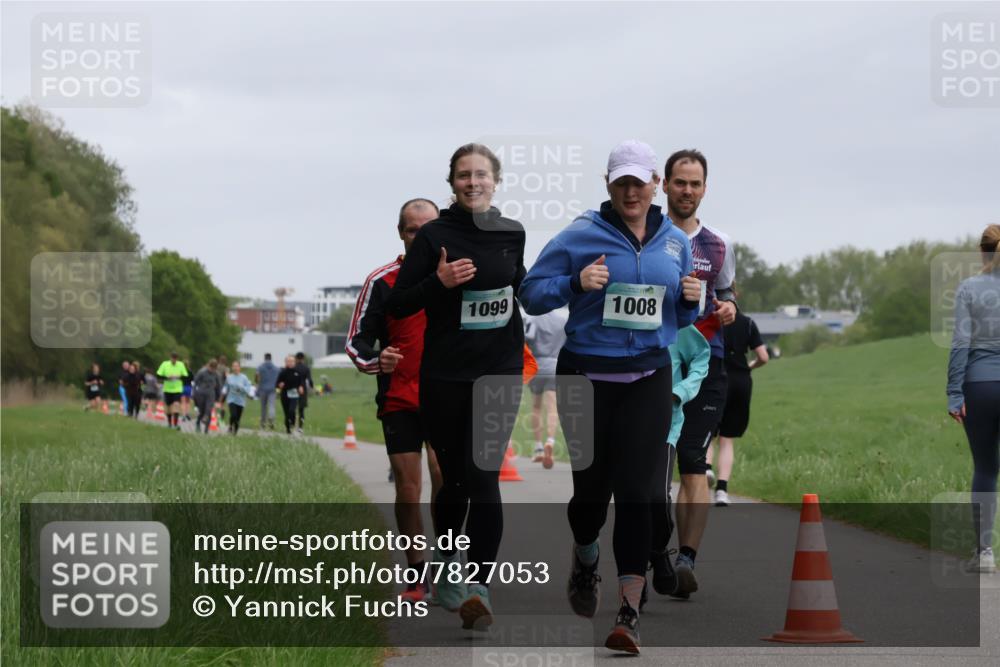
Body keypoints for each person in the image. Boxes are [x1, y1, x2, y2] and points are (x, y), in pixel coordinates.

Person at [520, 139, 700, 654]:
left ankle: (627, 611)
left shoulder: (674, 243)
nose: (630, 191)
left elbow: (678, 318)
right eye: (621, 182)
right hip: (587, 376)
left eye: (639, 182)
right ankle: (585, 553)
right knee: (591, 497)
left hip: (648, 377)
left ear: (655, 186)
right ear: (608, 184)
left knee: (640, 494)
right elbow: (531, 292)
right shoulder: (581, 234)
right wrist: (576, 282)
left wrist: (692, 302)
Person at [386, 143, 526, 630]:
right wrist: (438, 282)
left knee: (484, 475)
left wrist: (569, 284)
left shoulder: (512, 232)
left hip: (500, 370)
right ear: (452, 183)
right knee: (455, 480)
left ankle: (480, 587)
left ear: (495, 180)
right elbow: (399, 303)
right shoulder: (434, 236)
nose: (473, 182)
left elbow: (521, 285)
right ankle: (447, 565)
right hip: (445, 374)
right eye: (464, 175)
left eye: (481, 174)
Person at [347, 197, 445, 605]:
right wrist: (376, 360)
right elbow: (356, 342)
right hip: (400, 398)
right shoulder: (382, 281)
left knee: (446, 481)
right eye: (411, 230)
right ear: (401, 234)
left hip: (446, 396)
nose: (420, 237)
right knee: (409, 489)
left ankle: (450, 561)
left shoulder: (457, 276)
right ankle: (417, 572)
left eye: (428, 230)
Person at [659, 148, 737, 600]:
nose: (687, 190)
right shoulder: (649, 236)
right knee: (654, 465)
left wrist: (728, 307)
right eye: (680, 182)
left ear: (705, 189)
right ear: (665, 185)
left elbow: (727, 294)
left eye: (695, 183)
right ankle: (654, 551)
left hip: (708, 363)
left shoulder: (719, 243)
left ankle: (686, 559)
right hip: (655, 362)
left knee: (693, 461)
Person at [644, 324, 710, 609]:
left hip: (664, 426)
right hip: (622, 425)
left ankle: (658, 552)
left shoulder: (675, 322)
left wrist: (681, 391)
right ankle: (634, 579)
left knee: (657, 500)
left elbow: (701, 356)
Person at [947, 224, 1000, 574]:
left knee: (985, 468)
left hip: (980, 387)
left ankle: (983, 553)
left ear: (982, 252)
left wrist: (954, 392)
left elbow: (961, 343)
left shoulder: (969, 288)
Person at [707, 301, 768, 506]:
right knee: (727, 439)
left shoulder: (712, 317)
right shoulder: (748, 323)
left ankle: (706, 469)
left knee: (709, 433)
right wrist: (749, 366)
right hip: (741, 381)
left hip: (716, 376)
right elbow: (763, 357)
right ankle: (722, 491)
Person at [524, 310, 567, 469]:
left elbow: (527, 340)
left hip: (536, 365)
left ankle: (538, 447)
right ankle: (550, 440)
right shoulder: (564, 316)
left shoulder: (533, 317)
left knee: (536, 407)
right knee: (552, 408)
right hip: (555, 364)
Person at [156, 352, 189, 430]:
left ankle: (175, 424)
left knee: (176, 405)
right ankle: (169, 423)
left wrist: (178, 376)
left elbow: (185, 376)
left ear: (177, 358)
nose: (174, 360)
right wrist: (167, 377)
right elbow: (158, 375)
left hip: (177, 389)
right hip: (167, 389)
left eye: (175, 358)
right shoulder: (165, 364)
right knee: (168, 408)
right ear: (170, 358)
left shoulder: (180, 365)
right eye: (172, 358)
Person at [222, 361, 254, 435]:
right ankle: (230, 426)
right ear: (232, 368)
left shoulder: (244, 378)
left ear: (239, 367)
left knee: (238, 419)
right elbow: (226, 387)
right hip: (231, 399)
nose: (235, 368)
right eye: (234, 366)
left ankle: (235, 432)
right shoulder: (229, 377)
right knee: (233, 415)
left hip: (241, 401)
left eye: (237, 366)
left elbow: (248, 388)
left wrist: (242, 387)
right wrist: (222, 396)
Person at [276, 355, 305, 435]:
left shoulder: (297, 372)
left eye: (292, 361)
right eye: (288, 361)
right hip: (285, 394)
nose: (290, 363)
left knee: (292, 410)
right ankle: (288, 429)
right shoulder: (282, 372)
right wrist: (279, 385)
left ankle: (292, 422)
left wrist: (301, 387)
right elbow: (277, 383)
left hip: (294, 395)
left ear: (294, 362)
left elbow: (301, 382)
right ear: (286, 362)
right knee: (286, 413)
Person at [193, 359, 223, 433]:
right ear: (208, 365)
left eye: (213, 368)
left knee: (208, 411)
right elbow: (195, 382)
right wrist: (194, 392)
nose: (211, 369)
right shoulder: (202, 372)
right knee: (202, 411)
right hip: (201, 393)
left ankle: (206, 430)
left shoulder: (216, 375)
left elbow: (219, 386)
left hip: (211, 394)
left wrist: (218, 397)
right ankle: (198, 423)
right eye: (210, 367)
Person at [255, 353, 279, 430]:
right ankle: (271, 419)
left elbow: (257, 377)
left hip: (262, 389)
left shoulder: (260, 367)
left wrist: (257, 385)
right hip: (272, 389)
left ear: (265, 358)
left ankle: (263, 424)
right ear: (271, 358)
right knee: (272, 406)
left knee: (263, 407)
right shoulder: (276, 368)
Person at [294, 352, 314, 434]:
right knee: (301, 410)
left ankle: (292, 424)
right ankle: (300, 427)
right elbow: (309, 379)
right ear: (303, 359)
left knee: (292, 408)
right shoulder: (306, 368)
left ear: (296, 358)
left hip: (293, 389)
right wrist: (312, 387)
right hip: (303, 390)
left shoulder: (294, 367)